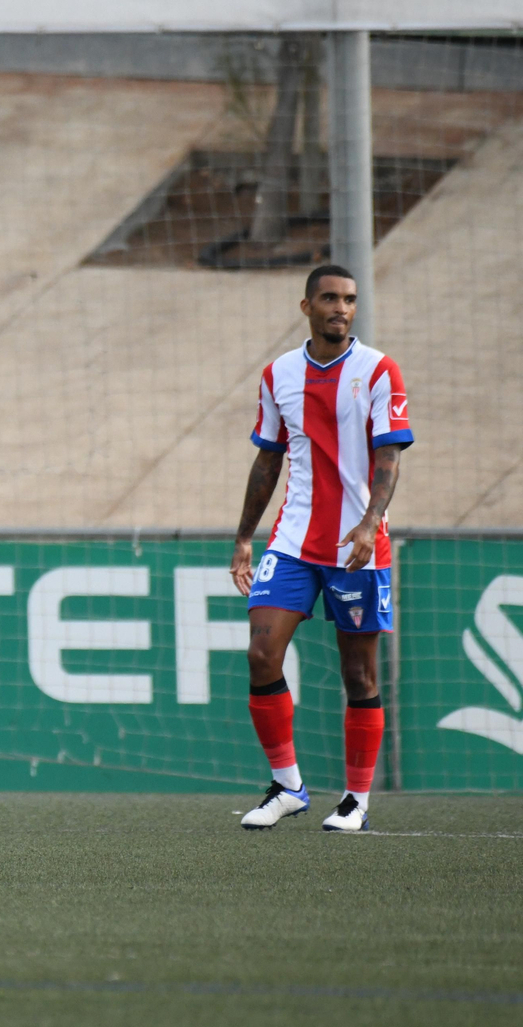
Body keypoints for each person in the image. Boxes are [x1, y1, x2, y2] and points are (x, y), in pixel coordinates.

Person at [231, 265, 413, 832]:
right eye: (330, 298)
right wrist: (244, 536)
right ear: (306, 306)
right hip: (293, 540)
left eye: (349, 299)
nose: (341, 307)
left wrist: (369, 523)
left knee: (358, 675)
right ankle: (288, 787)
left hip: (358, 545)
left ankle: (356, 800)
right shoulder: (279, 373)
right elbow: (268, 459)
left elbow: (389, 457)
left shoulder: (378, 370)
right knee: (261, 654)